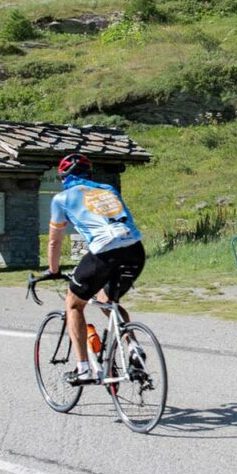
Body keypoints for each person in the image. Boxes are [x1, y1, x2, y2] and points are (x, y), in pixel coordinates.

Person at [40, 153, 145, 386]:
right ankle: (134, 347)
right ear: (89, 174)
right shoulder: (107, 189)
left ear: (63, 177)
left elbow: (54, 242)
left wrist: (53, 270)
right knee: (109, 301)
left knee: (74, 304)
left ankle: (83, 368)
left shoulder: (61, 198)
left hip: (105, 251)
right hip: (135, 249)